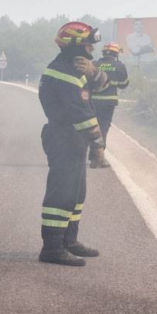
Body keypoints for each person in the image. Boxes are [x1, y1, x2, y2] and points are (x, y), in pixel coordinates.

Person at [38, 22, 105, 266]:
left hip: (74, 140)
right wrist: (98, 144)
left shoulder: (78, 68)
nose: (92, 50)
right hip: (64, 138)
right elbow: (82, 115)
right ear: (75, 45)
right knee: (61, 195)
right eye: (88, 44)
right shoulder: (64, 73)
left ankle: (69, 241)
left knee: (77, 193)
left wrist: (94, 72)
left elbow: (101, 85)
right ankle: (52, 249)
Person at [88, 42, 129, 168]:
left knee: (91, 127)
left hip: (93, 101)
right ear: (116, 54)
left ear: (104, 53)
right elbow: (124, 84)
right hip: (108, 103)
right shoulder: (120, 66)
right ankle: (98, 157)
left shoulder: (94, 64)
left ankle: (92, 153)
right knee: (103, 128)